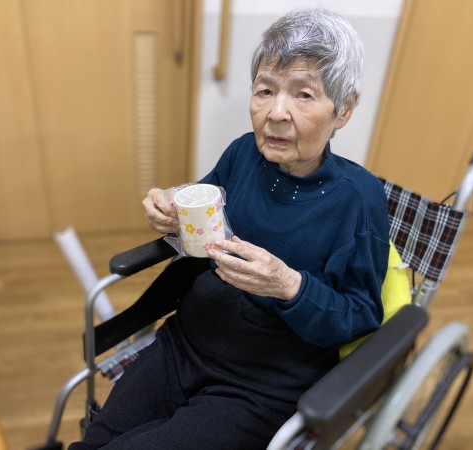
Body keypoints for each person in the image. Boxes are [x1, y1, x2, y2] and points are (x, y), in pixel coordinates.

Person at [69, 8, 389, 450]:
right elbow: (200, 206)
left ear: (344, 109)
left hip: (262, 384)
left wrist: (289, 285)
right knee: (94, 443)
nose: (276, 113)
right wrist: (169, 208)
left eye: (303, 94)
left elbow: (360, 315)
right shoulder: (243, 154)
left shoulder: (358, 200)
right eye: (265, 90)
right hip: (185, 342)